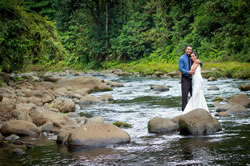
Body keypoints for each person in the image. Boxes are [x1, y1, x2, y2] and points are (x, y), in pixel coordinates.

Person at [179, 45, 195, 111]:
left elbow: (199, 63)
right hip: (185, 79)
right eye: (188, 49)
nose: (189, 51)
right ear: (186, 50)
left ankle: (194, 109)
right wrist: (188, 72)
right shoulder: (181, 58)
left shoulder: (193, 57)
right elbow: (181, 68)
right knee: (184, 96)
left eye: (190, 49)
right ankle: (184, 110)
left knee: (193, 94)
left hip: (193, 79)